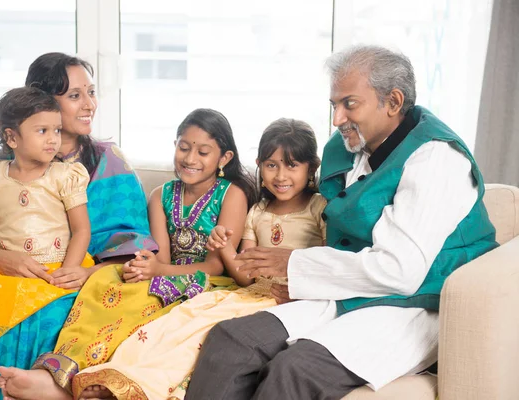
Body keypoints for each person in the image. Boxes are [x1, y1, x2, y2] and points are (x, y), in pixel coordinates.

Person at [186, 45, 499, 400]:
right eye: (334, 105)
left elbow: (400, 271)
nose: (336, 118)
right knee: (230, 341)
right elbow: (345, 240)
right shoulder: (352, 147)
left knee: (295, 371)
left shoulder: (436, 159)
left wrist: (297, 265)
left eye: (349, 104)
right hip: (352, 287)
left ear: (393, 102)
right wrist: (312, 282)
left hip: (418, 300)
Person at [0, 52, 157, 400]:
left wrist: (81, 273)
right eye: (75, 95)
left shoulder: (107, 162)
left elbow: (133, 253)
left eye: (91, 92)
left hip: (79, 274)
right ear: (43, 102)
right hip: (5, 271)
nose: (89, 104)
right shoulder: (0, 165)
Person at [0, 108, 257, 400]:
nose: (190, 158)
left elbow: (215, 267)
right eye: (184, 147)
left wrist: (156, 271)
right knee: (108, 278)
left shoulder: (231, 194)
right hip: (167, 277)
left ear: (224, 159)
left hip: (209, 283)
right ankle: (62, 375)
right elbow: (162, 258)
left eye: (203, 152)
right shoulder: (161, 195)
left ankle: (95, 385)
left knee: (143, 302)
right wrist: (145, 265)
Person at [66, 118, 328, 400]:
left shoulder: (319, 209)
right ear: (260, 165)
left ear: (311, 168)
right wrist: (224, 246)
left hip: (281, 295)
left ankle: (141, 386)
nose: (280, 176)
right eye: (271, 165)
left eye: (291, 165)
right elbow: (244, 275)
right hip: (249, 292)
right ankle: (116, 375)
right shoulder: (258, 212)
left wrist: (305, 289)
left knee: (203, 327)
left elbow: (329, 261)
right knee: (178, 318)